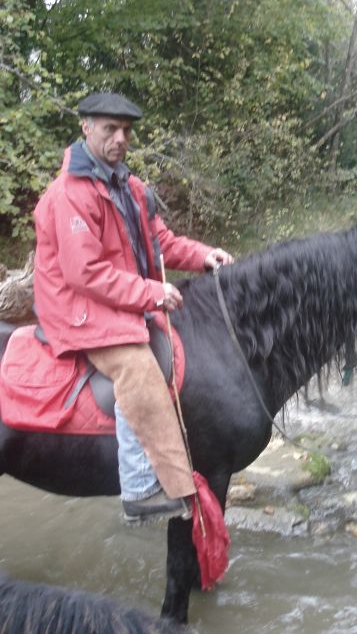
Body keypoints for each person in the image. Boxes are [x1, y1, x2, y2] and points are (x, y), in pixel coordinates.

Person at [33, 92, 233, 520]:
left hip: (114, 297)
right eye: (110, 129)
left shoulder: (130, 185)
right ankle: (141, 490)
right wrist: (150, 293)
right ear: (86, 128)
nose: (120, 138)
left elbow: (159, 241)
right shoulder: (69, 194)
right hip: (77, 307)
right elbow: (83, 272)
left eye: (125, 131)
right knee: (136, 365)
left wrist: (202, 255)